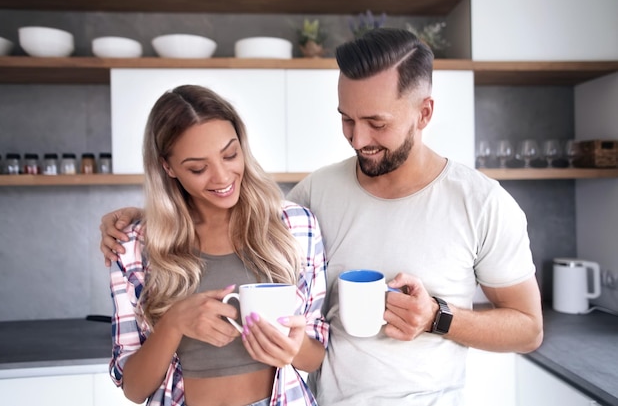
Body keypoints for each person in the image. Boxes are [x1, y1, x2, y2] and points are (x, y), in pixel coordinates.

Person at [100, 29, 543, 405]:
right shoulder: (316, 195)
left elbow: (528, 330)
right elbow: (236, 210)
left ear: (424, 112)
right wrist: (147, 216)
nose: (358, 138)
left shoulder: (482, 203)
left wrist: (438, 318)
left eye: (376, 122)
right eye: (347, 119)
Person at [108, 84, 328, 406]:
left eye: (230, 154)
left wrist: (293, 349)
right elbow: (134, 388)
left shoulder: (295, 226)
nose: (223, 176)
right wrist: (174, 323)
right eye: (198, 168)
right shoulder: (134, 246)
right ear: (168, 167)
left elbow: (316, 357)